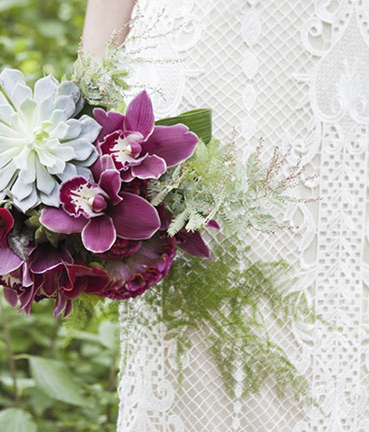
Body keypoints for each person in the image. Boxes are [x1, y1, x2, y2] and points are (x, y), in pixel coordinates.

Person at [82, 0, 369, 430]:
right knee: (187, 351)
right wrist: (81, 128)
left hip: (333, 97)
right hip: (183, 86)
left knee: (330, 331)